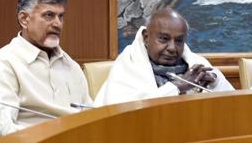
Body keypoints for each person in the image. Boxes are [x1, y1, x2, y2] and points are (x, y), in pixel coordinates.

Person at [0, 0, 91, 127]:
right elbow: (2, 128)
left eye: (61, 16)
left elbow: (90, 118)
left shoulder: (72, 66)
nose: (57, 24)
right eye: (48, 15)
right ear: (24, 19)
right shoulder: (4, 63)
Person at [94, 8, 234, 105]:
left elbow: (234, 103)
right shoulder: (129, 65)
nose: (172, 48)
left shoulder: (196, 65)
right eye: (164, 39)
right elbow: (125, 113)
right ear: (146, 37)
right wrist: (177, 87)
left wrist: (215, 85)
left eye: (179, 41)